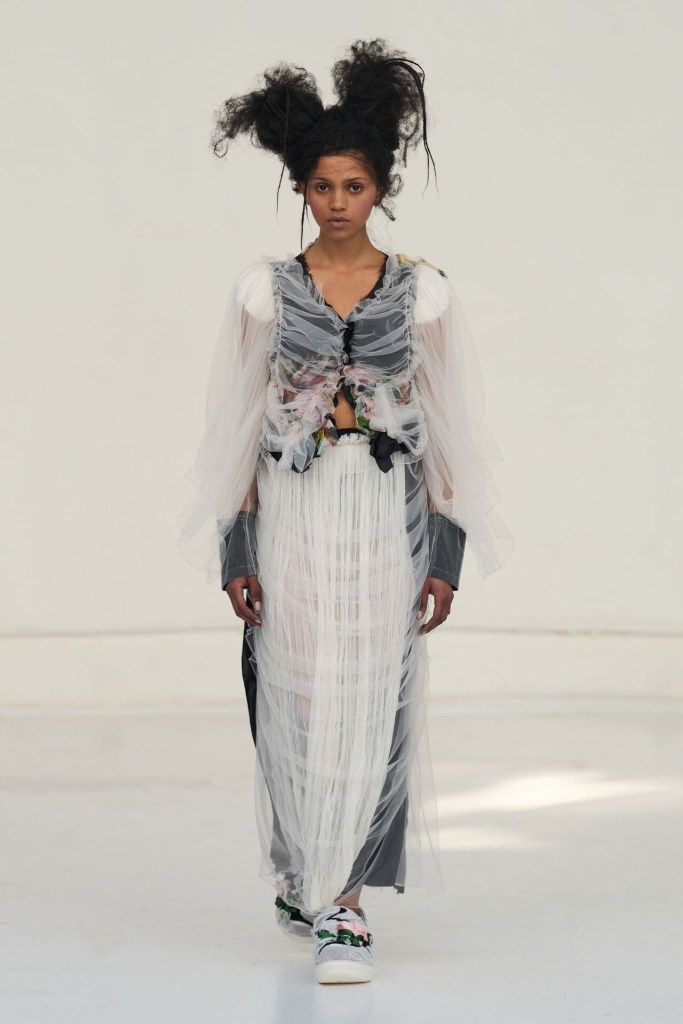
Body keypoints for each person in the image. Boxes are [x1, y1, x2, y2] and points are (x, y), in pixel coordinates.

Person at [177, 38, 514, 985]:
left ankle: (346, 905)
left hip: (382, 519)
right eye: (321, 186)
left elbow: (448, 432)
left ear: (381, 190)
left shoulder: (424, 293)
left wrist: (443, 556)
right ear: (300, 189)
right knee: (294, 694)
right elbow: (234, 428)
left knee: (373, 698)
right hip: (292, 514)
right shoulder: (263, 291)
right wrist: (235, 549)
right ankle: (308, 867)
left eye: (354, 186)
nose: (336, 202)